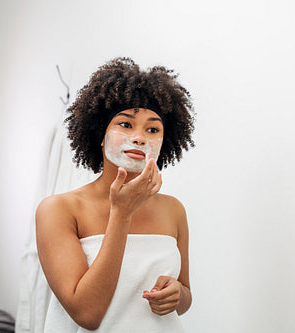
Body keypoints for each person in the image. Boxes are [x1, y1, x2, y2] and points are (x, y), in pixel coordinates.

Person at [36, 57, 195, 332]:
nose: (139, 137)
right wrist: (121, 213)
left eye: (153, 129)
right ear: (100, 133)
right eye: (125, 124)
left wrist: (178, 295)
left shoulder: (174, 210)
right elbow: (87, 314)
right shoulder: (59, 210)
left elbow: (186, 296)